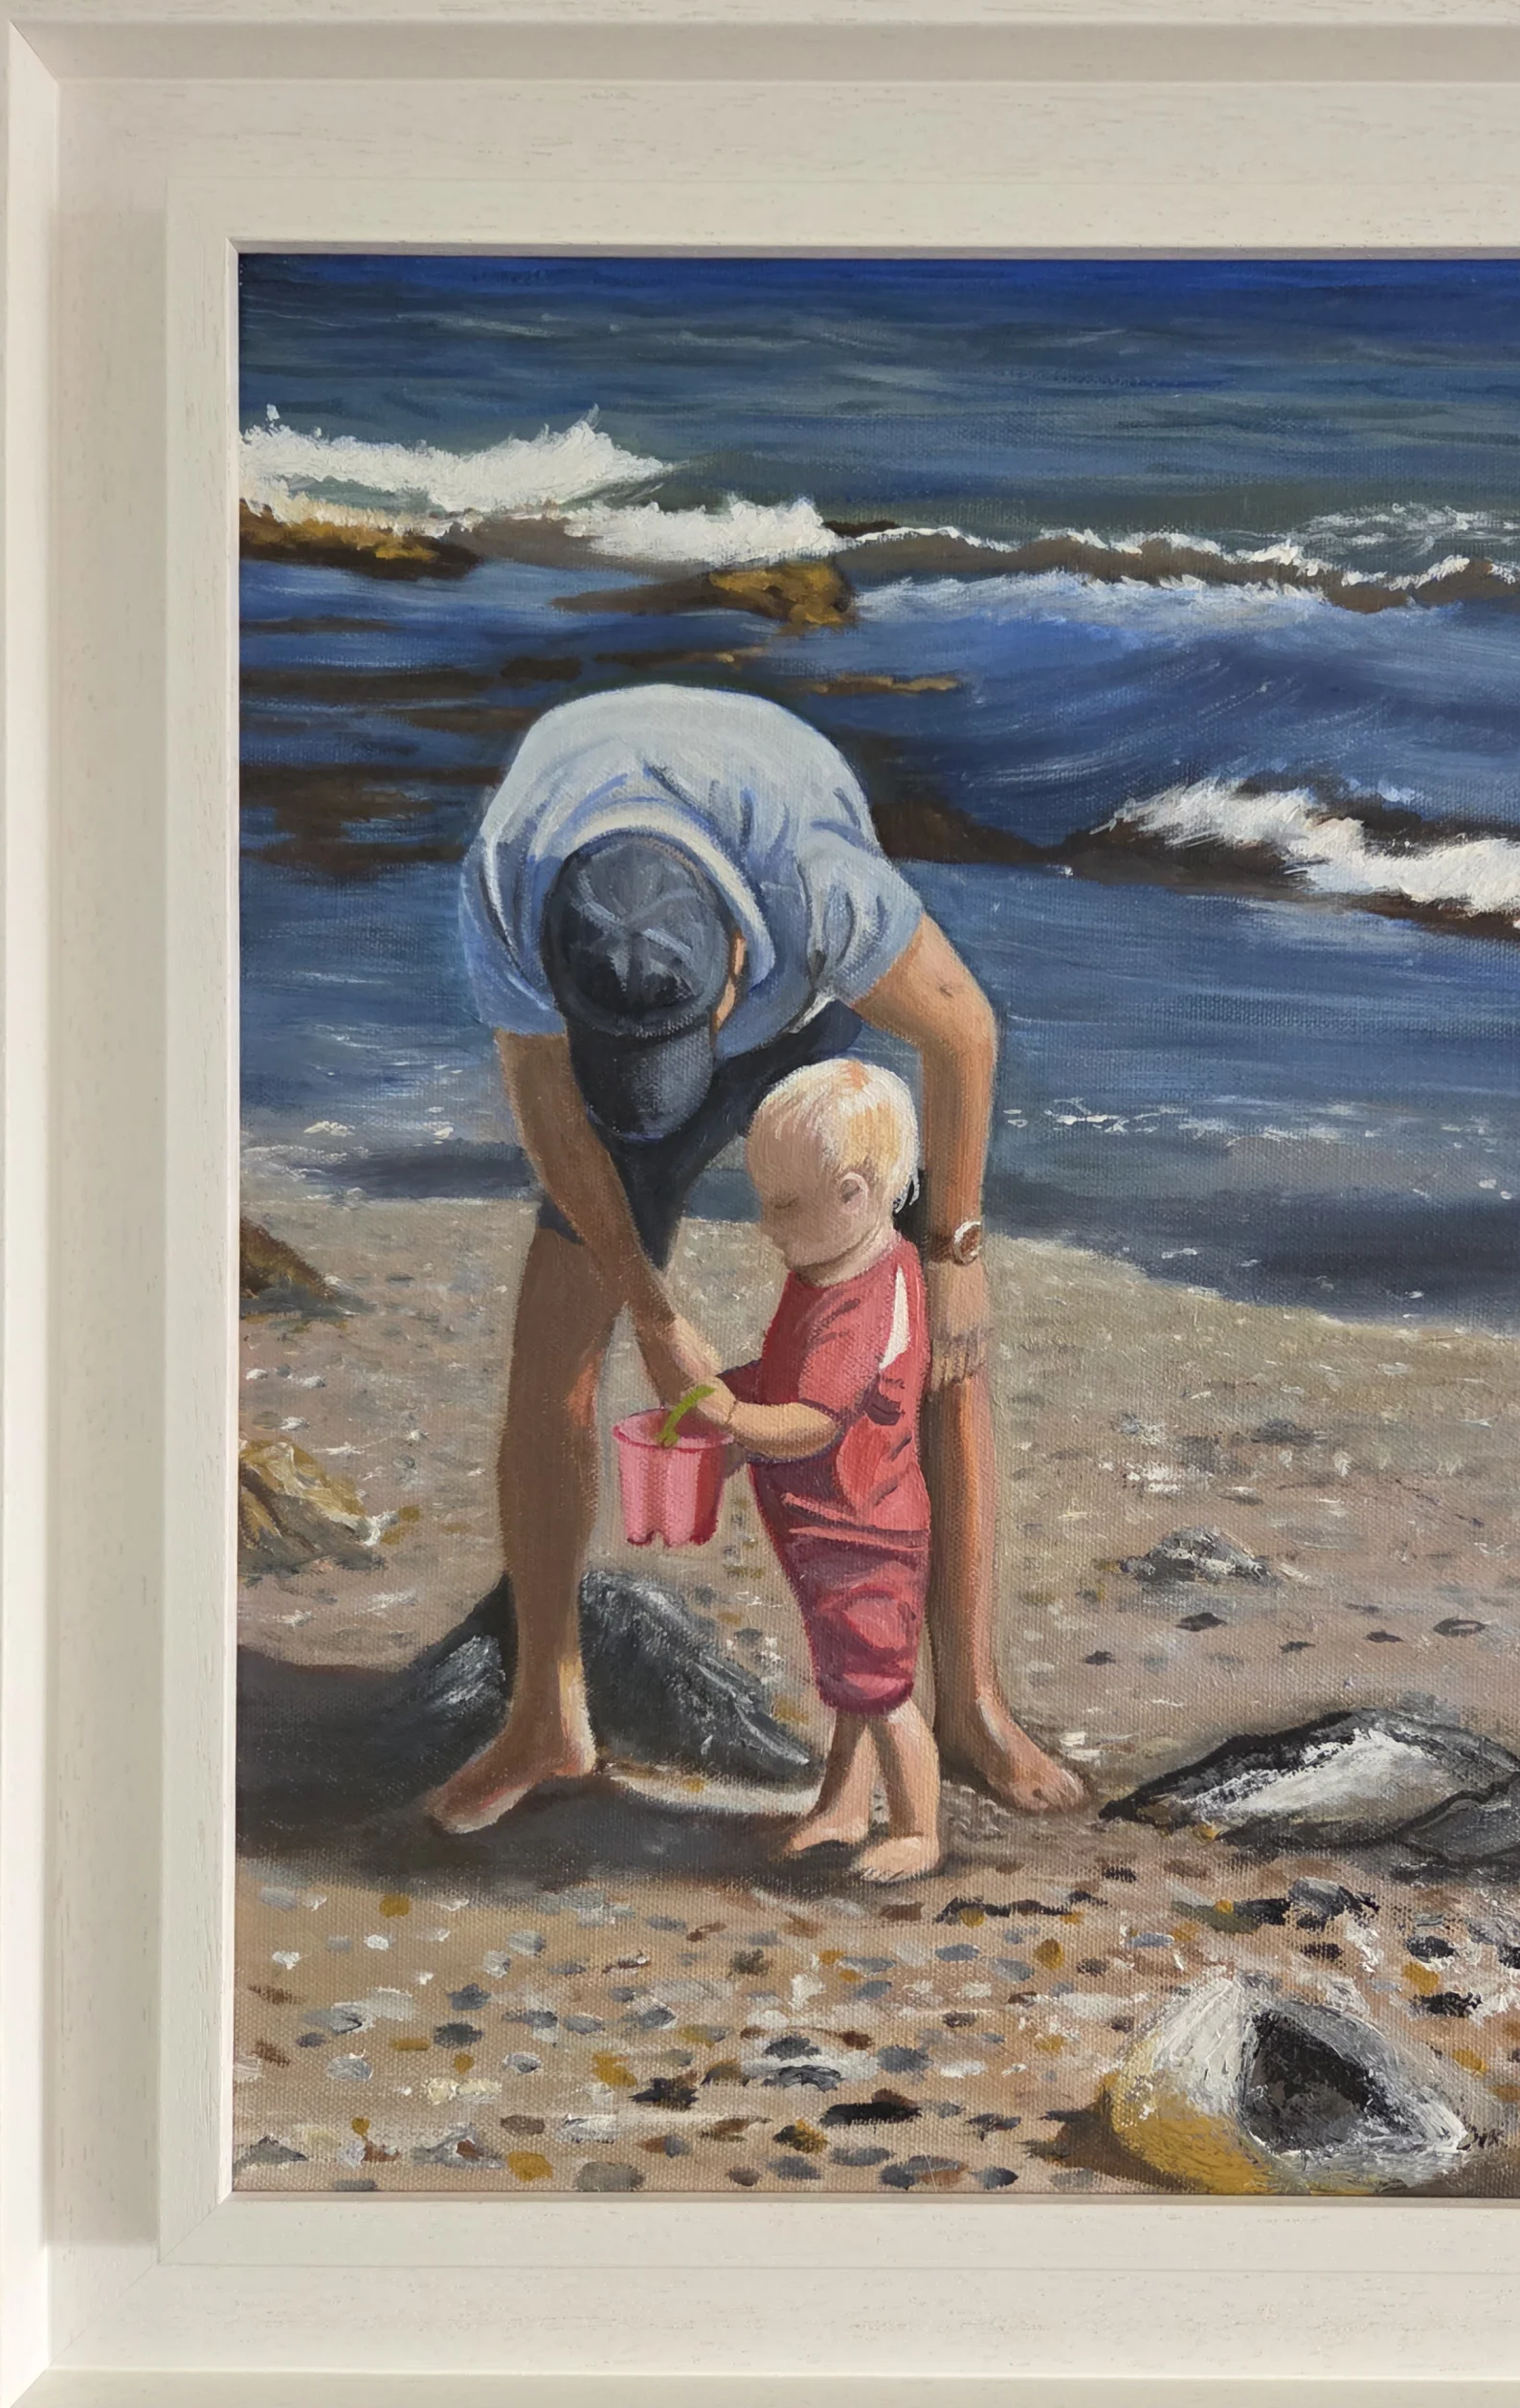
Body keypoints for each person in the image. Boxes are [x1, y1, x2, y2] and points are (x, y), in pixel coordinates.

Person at [426, 682, 1084, 1833]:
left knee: (933, 1341)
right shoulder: (512, 876)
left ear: (736, 948)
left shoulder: (813, 883)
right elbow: (552, 1108)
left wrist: (957, 1250)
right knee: (550, 1347)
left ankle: (972, 1705)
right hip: (631, 1014)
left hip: (804, 1029)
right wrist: (650, 1309)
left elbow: (963, 1032)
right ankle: (546, 1714)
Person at [669, 1059, 941, 1884]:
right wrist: (733, 1413)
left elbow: (813, 1421)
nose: (764, 1225)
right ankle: (844, 1807)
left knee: (882, 1690)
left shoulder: (863, 1302)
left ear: (854, 1195)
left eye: (783, 1205)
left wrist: (726, 1415)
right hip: (822, 1520)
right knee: (852, 1679)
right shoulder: (831, 1268)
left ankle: (918, 1829)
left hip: (861, 1525)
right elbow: (791, 1377)